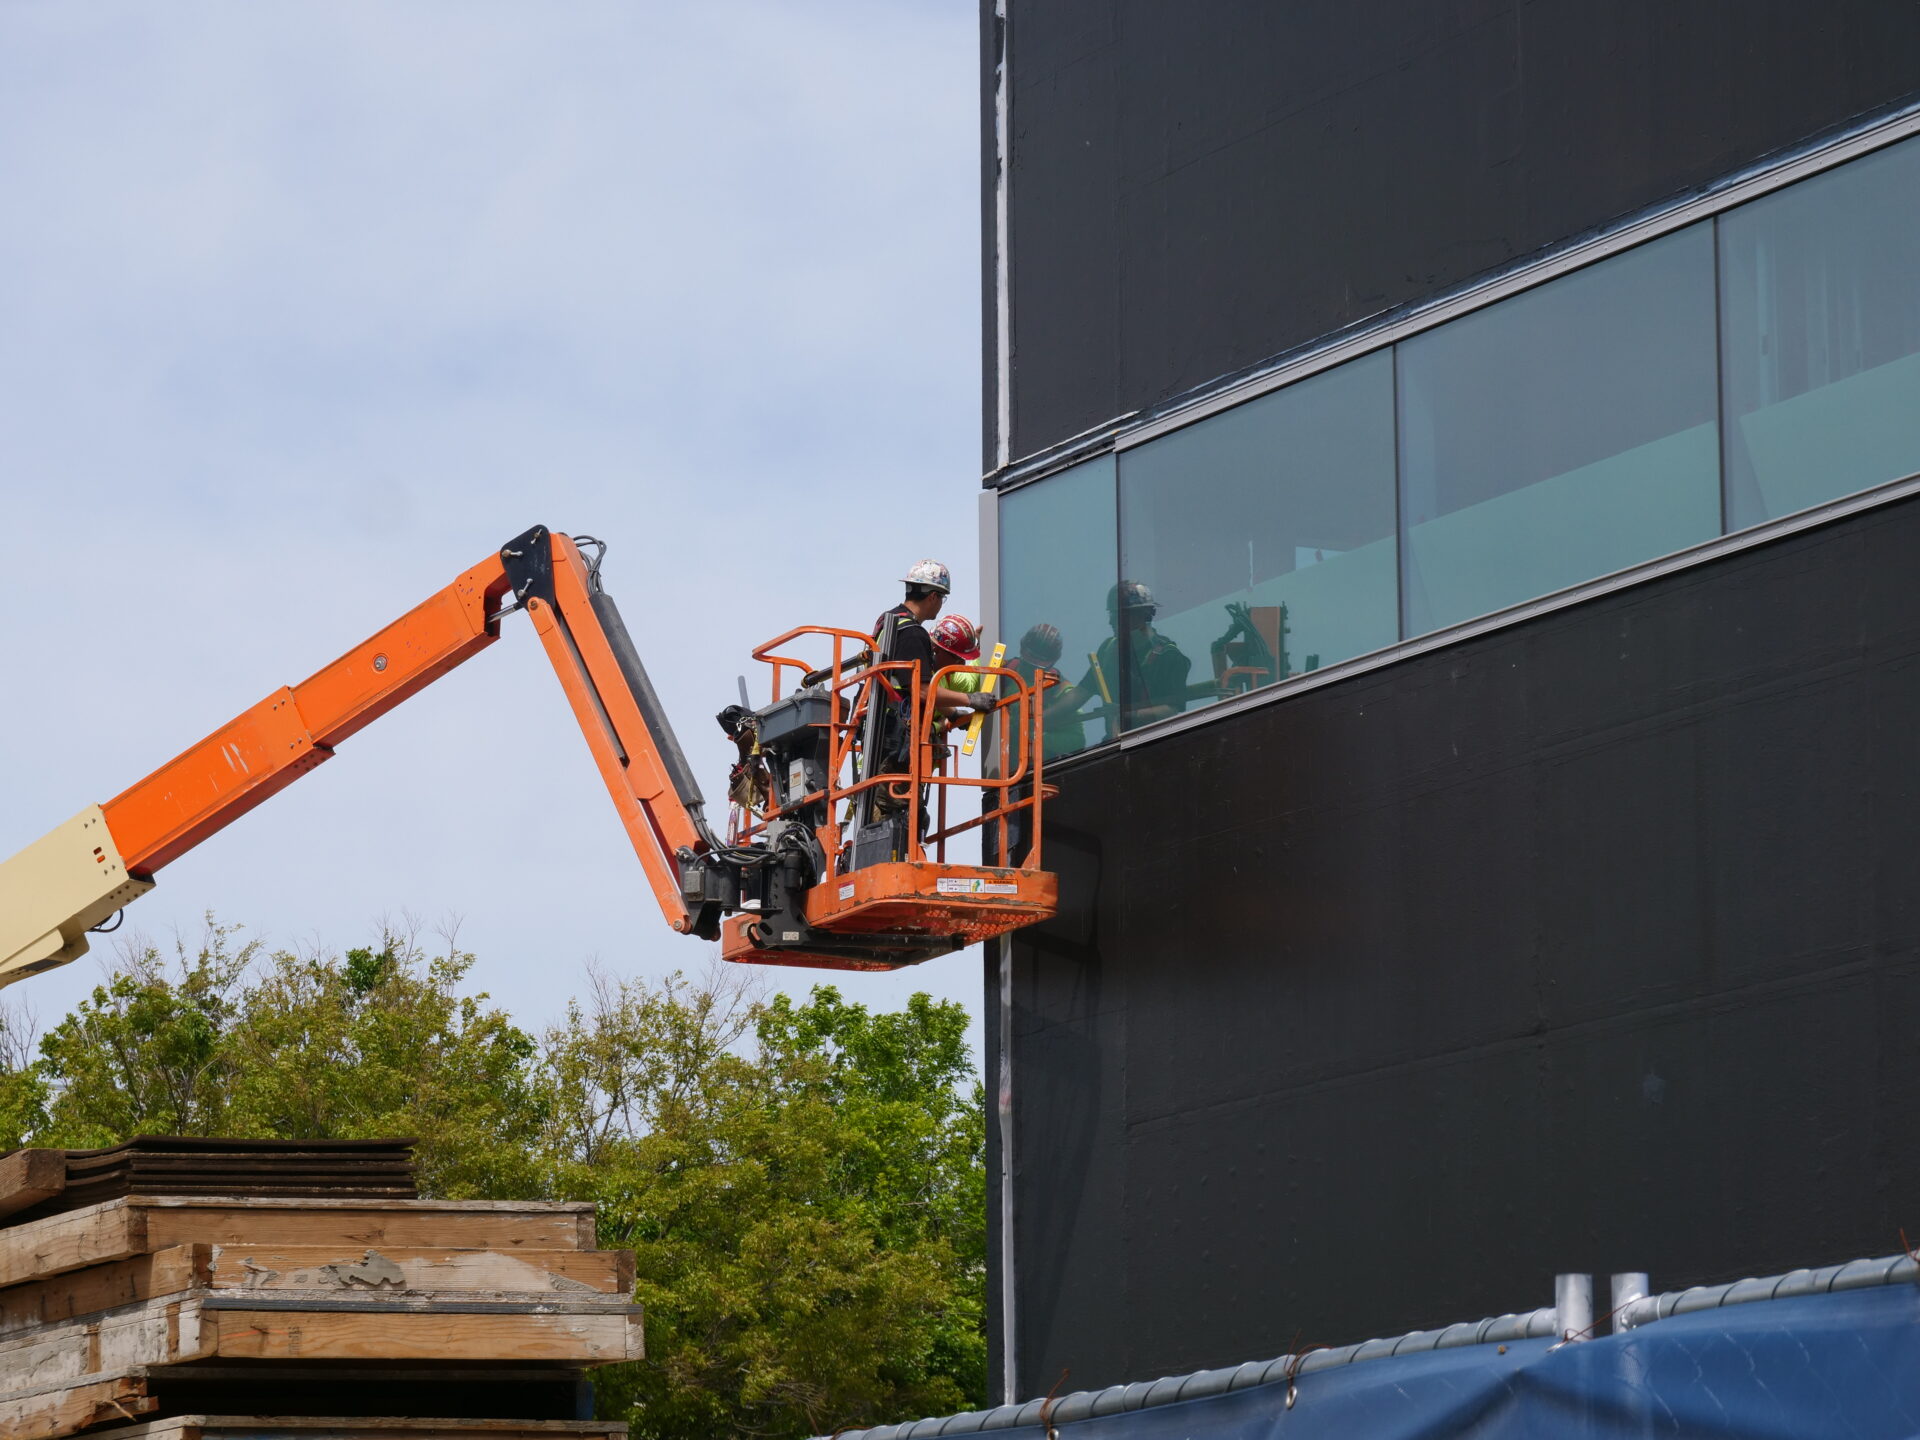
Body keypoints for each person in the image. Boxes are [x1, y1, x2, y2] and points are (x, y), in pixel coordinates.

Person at [1008, 622, 1085, 759]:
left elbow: (1077, 741)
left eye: (1039, 663)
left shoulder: (1060, 691)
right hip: (998, 766)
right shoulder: (1004, 672)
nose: (1031, 667)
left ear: (1052, 661)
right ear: (1022, 649)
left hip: (1033, 769)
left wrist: (1032, 735)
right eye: (1029, 658)